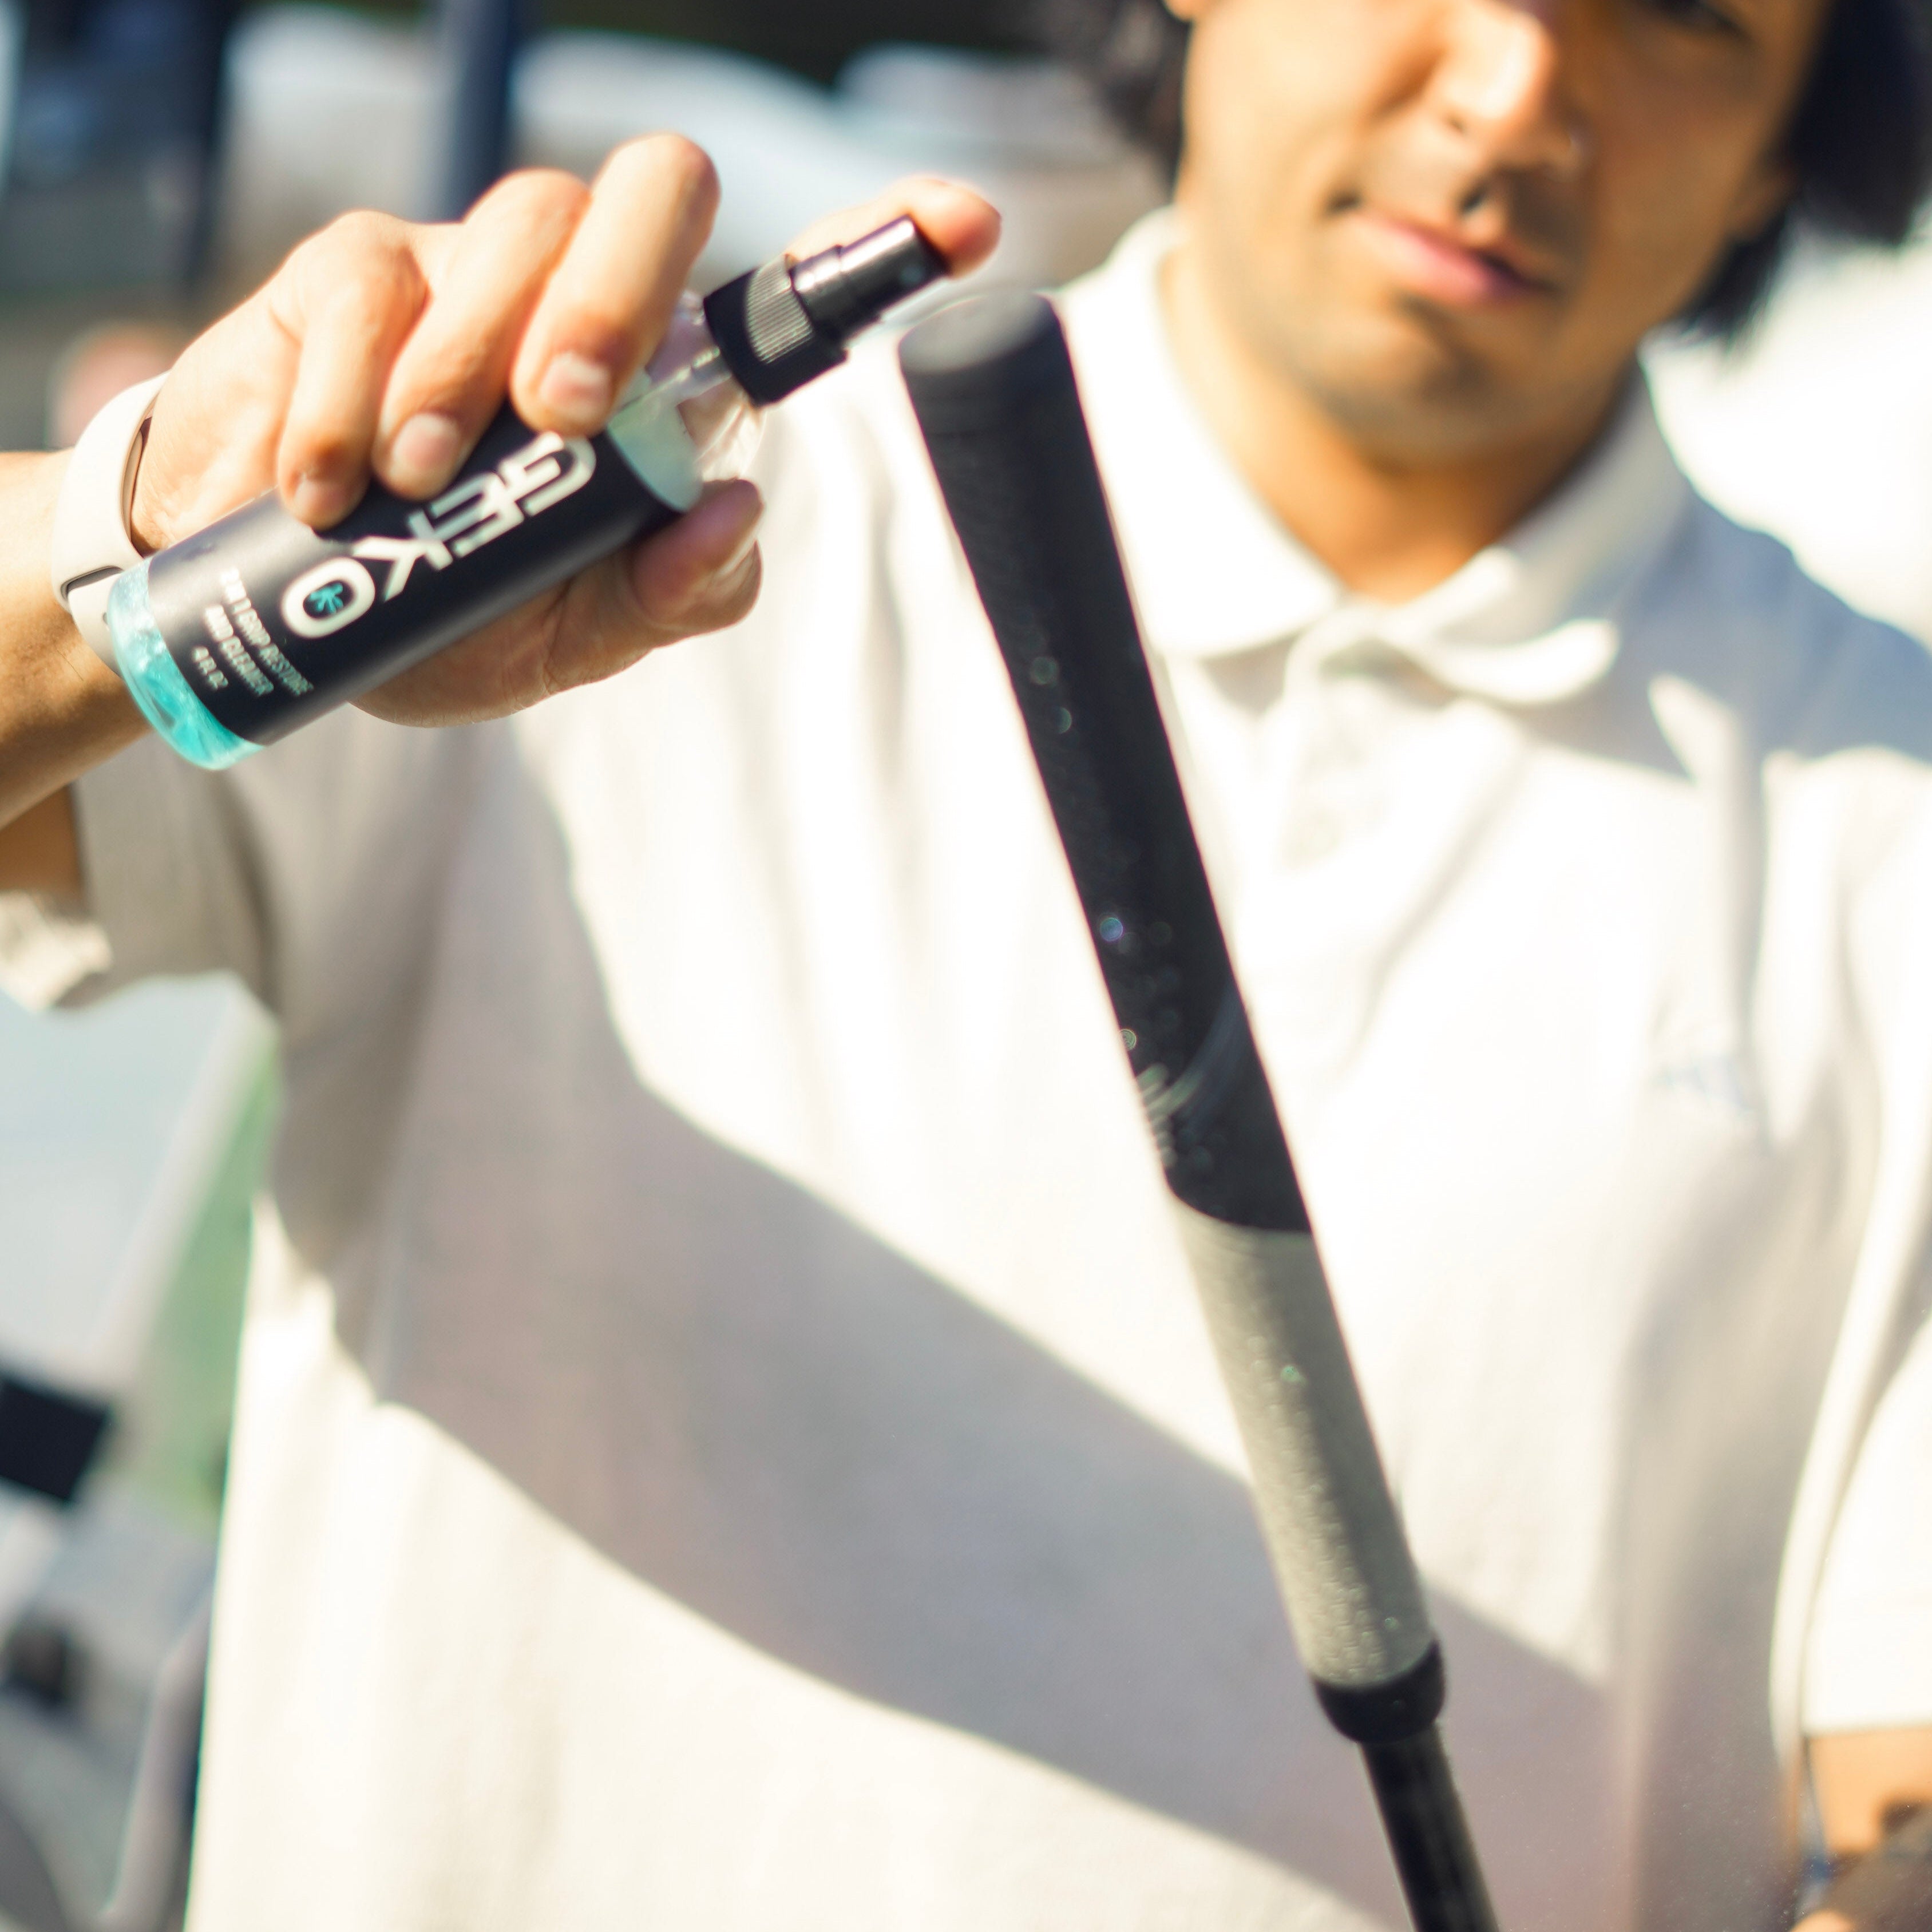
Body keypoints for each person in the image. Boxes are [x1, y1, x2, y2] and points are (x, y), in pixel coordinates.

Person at [1, 0, 1929, 1924]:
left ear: (1796, 131)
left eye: (1681, 15)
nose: (1514, 96)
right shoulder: (599, 523)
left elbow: (1902, 1811)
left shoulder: (1887, 828)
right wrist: (145, 552)